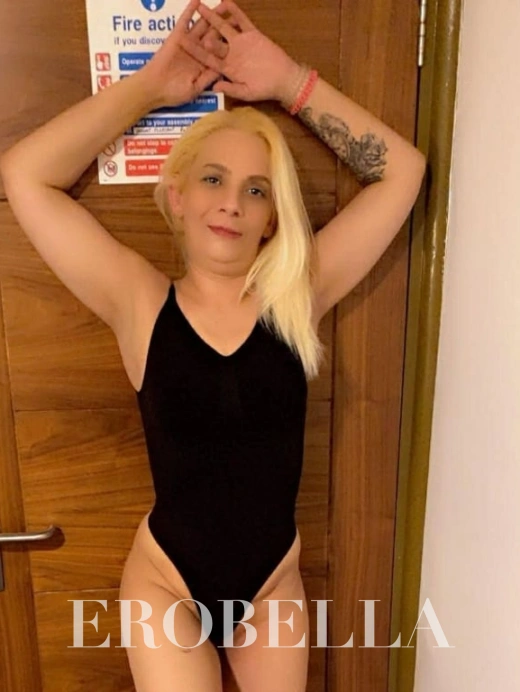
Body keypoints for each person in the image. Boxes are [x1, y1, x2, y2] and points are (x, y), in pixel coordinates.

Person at [0, 0, 426, 689]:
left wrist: (289, 82)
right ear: (177, 197)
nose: (231, 202)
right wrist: (151, 87)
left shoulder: (298, 294)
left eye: (256, 190)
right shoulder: (139, 302)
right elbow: (25, 174)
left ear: (271, 219)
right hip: (167, 582)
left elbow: (402, 171)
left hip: (270, 587)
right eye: (213, 179)